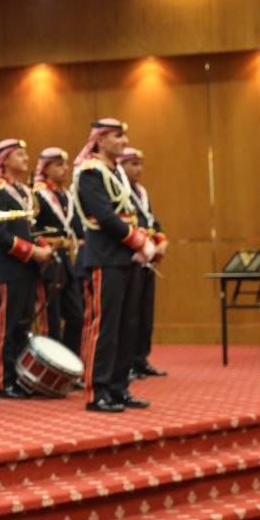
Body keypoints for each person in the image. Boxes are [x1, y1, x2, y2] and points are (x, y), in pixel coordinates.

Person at [71, 118, 156, 413]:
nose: (124, 142)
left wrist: (143, 241)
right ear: (100, 140)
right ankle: (98, 391)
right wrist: (139, 241)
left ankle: (119, 388)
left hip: (126, 257)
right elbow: (104, 217)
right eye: (118, 136)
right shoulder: (90, 172)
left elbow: (131, 211)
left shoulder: (115, 171)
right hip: (105, 257)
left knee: (127, 326)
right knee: (104, 326)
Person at [0, 139, 53, 400]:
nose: (26, 159)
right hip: (7, 266)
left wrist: (43, 247)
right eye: (19, 155)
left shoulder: (24, 190)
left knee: (24, 324)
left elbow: (30, 228)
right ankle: (4, 380)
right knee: (8, 324)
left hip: (28, 267)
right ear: (5, 160)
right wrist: (31, 251)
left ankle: (22, 377)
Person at [119, 147, 168, 379]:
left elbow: (152, 222)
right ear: (121, 166)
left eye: (140, 164)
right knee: (129, 314)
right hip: (131, 256)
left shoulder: (141, 191)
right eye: (133, 164)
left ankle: (141, 359)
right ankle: (126, 362)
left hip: (148, 257)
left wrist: (161, 242)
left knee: (145, 312)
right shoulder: (119, 190)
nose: (139, 169)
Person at [33, 147, 85, 355]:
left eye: (65, 164)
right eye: (58, 165)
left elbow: (76, 228)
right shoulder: (37, 195)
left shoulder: (66, 195)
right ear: (45, 168)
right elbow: (31, 229)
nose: (65, 168)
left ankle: (69, 362)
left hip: (67, 261)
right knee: (51, 320)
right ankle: (51, 365)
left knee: (76, 316)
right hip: (47, 262)